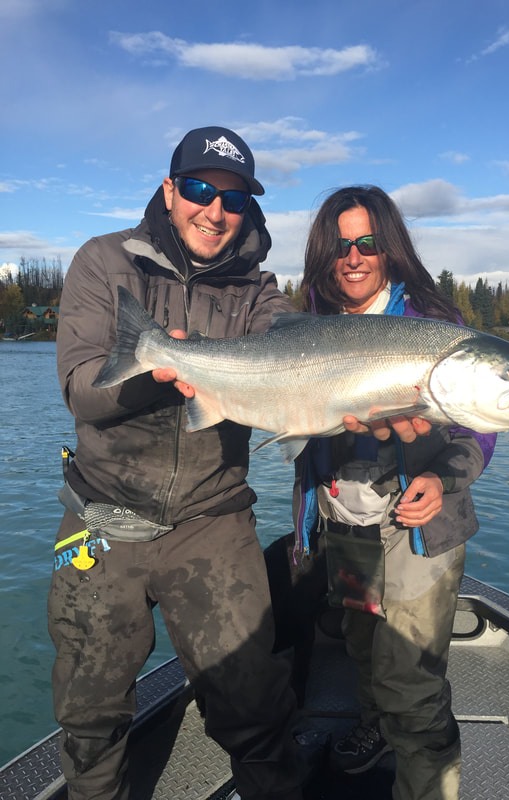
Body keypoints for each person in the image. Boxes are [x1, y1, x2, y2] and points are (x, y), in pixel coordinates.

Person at [48, 126, 310, 800]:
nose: (214, 211)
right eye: (199, 190)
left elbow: (291, 357)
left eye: (233, 200)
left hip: (213, 519)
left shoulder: (260, 292)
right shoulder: (103, 263)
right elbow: (80, 387)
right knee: (89, 717)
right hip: (100, 520)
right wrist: (160, 368)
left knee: (255, 707)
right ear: (170, 191)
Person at [292, 185, 497, 800]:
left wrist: (443, 480)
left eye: (368, 244)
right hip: (343, 521)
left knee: (410, 681)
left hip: (417, 526)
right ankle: (373, 728)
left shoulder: (436, 326)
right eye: (340, 245)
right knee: (360, 649)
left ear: (390, 248)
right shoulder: (307, 323)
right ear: (324, 253)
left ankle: (428, 778)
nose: (353, 258)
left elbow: (477, 432)